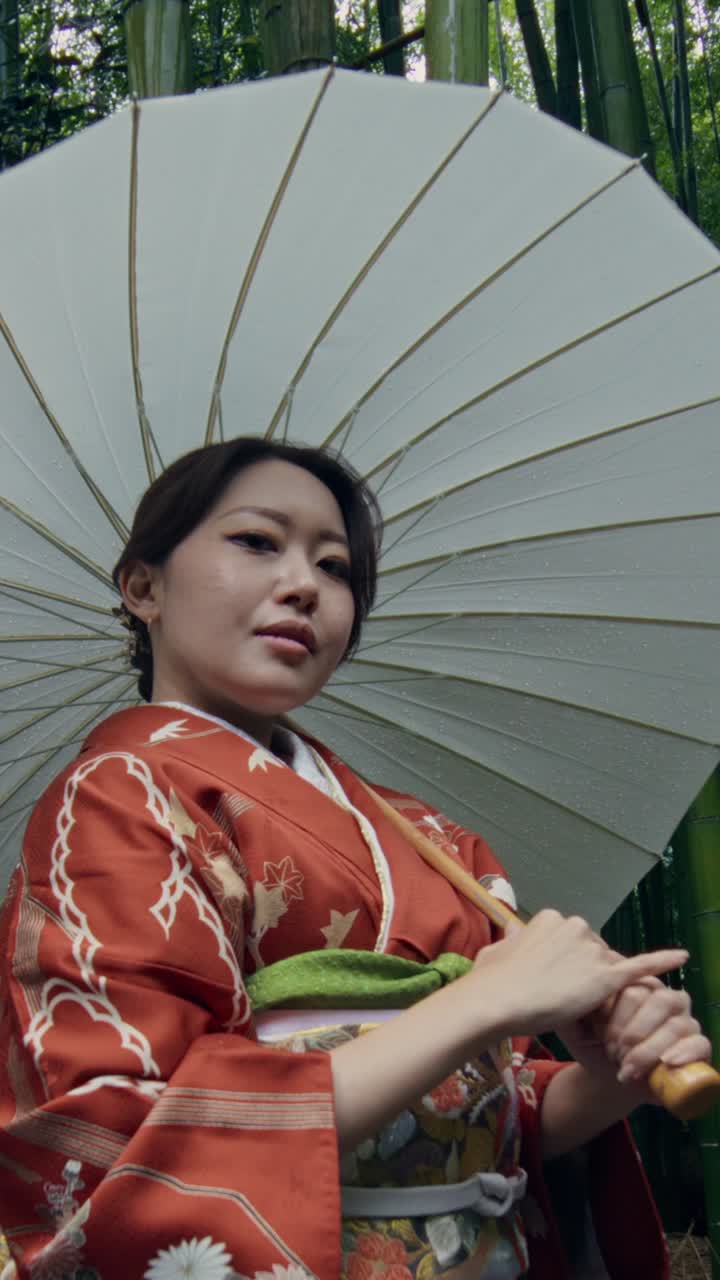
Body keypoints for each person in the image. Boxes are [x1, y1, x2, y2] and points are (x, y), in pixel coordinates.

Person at [0, 438, 709, 1280]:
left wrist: (610, 1079)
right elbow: (130, 1142)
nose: (304, 584)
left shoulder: (430, 837)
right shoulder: (117, 798)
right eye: (257, 541)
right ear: (144, 588)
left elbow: (493, 1116)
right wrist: (480, 1003)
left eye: (334, 566)